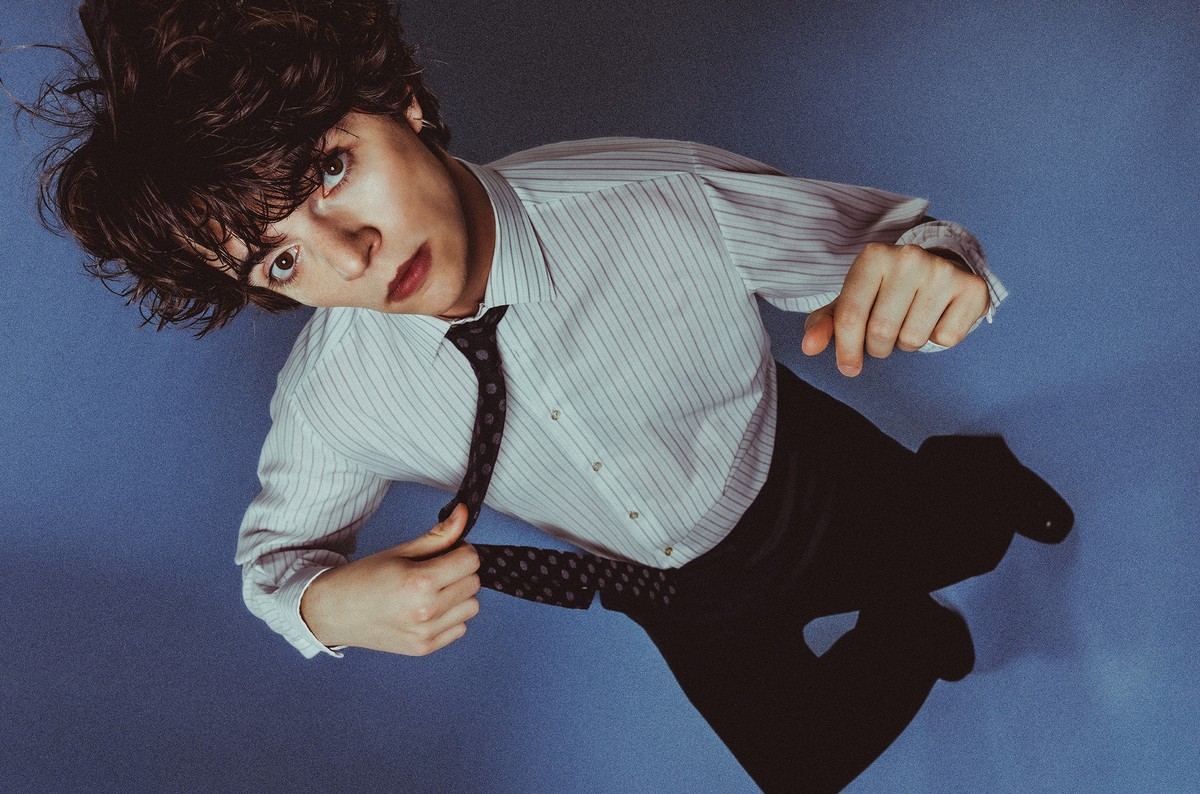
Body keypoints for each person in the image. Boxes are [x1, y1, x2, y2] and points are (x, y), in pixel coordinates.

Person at [25, 1, 1072, 790]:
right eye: (281, 261)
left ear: (401, 100)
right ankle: (916, 637)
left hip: (801, 476)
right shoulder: (333, 398)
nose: (349, 255)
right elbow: (274, 564)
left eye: (330, 170)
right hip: (667, 593)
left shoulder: (659, 196)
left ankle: (975, 477)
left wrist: (940, 271)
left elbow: (896, 244)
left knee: (965, 538)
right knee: (802, 766)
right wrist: (323, 604)